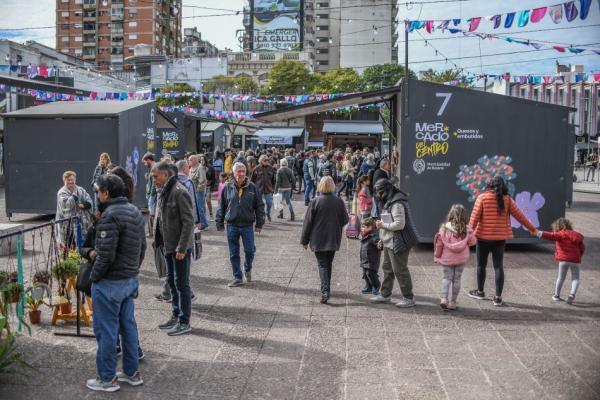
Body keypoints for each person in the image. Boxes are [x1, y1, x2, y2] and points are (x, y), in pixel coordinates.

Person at [86, 174, 146, 392]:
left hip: (110, 283)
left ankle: (107, 379)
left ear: (106, 193)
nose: (97, 195)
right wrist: (132, 270)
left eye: (97, 191)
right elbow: (142, 248)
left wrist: (94, 278)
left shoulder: (109, 215)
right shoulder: (135, 211)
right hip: (129, 280)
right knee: (128, 328)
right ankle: (132, 373)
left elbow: (104, 255)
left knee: (107, 332)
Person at [467, 176, 536, 306]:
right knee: (498, 266)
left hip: (483, 238)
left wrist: (466, 235)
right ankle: (498, 298)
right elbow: (520, 217)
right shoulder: (507, 200)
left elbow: (473, 220)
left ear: (489, 185)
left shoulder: (482, 198)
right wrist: (533, 229)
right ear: (503, 186)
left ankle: (480, 292)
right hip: (500, 239)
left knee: (481, 265)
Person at [153, 161, 195, 336]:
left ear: (166, 175)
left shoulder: (179, 192)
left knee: (181, 284)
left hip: (179, 249)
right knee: (172, 282)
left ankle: (184, 321)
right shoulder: (164, 191)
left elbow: (188, 222)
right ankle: (176, 315)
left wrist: (182, 248)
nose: (153, 179)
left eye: (155, 176)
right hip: (168, 246)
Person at [370, 179, 418, 308]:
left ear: (386, 191)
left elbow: (399, 224)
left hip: (398, 241)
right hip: (389, 240)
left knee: (400, 270)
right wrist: (382, 238)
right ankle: (385, 295)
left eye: (379, 192)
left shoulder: (397, 203)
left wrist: (382, 225)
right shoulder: (390, 200)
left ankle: (408, 297)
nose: (378, 195)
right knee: (387, 268)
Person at [301, 176, 349, 304]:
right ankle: (326, 289)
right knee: (328, 264)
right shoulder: (339, 201)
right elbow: (345, 219)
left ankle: (325, 291)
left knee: (322, 264)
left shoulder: (315, 201)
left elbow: (308, 223)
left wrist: (304, 241)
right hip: (333, 237)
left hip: (318, 238)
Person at [216, 162, 265, 287]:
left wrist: (259, 223)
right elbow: (221, 206)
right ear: (233, 172)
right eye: (238, 171)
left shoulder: (253, 187)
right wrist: (219, 222)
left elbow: (259, 206)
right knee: (234, 253)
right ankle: (237, 277)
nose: (241, 174)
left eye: (243, 171)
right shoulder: (227, 187)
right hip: (232, 224)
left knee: (250, 251)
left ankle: (247, 267)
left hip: (247, 225)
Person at [433, 204, 476, 311]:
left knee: (446, 278)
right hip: (461, 259)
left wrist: (437, 256)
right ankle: (453, 302)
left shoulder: (444, 228)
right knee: (457, 279)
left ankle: (444, 299)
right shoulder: (467, 229)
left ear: (450, 214)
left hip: (447, 259)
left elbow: (439, 244)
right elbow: (472, 242)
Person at [535, 218, 585, 304]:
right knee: (575, 278)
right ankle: (572, 294)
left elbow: (550, 235)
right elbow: (583, 248)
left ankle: (556, 295)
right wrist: (579, 256)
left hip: (563, 260)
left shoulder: (560, 234)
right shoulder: (577, 235)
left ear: (557, 226)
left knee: (561, 278)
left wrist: (537, 232)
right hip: (575, 260)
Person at [56, 170, 93, 246]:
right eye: (68, 180)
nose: (70, 182)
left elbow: (89, 201)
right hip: (67, 224)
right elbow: (67, 205)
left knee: (82, 243)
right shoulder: (61, 192)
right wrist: (74, 195)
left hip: (81, 223)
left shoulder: (81, 190)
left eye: (72, 180)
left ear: (75, 180)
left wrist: (84, 205)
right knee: (68, 245)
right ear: (64, 181)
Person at [359, 217, 381, 295]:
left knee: (370, 274)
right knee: (365, 274)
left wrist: (380, 245)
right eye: (361, 226)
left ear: (370, 227)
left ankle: (376, 285)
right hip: (364, 259)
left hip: (372, 260)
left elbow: (379, 244)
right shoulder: (365, 235)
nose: (362, 229)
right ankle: (369, 286)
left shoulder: (373, 236)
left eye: (364, 227)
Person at [251, 155, 276, 222]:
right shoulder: (256, 168)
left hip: (268, 189)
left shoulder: (271, 168)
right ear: (261, 161)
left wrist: (273, 188)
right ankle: (262, 215)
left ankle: (268, 213)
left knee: (269, 203)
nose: (267, 161)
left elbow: (274, 180)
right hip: (259, 189)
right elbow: (252, 180)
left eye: (267, 160)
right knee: (260, 204)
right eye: (265, 160)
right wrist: (253, 189)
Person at [189, 155, 209, 230]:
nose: (189, 161)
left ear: (194, 160)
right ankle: (198, 222)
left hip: (198, 191)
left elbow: (203, 181)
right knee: (195, 207)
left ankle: (204, 224)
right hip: (193, 191)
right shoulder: (191, 168)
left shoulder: (200, 168)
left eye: (190, 160)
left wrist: (198, 190)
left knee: (200, 208)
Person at [142, 152, 157, 233]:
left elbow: (155, 183)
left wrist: (151, 195)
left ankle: (153, 232)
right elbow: (151, 182)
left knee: (152, 214)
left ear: (148, 160)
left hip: (153, 195)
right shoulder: (151, 169)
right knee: (151, 214)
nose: (144, 164)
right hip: (150, 194)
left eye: (145, 162)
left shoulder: (155, 167)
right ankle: (152, 232)